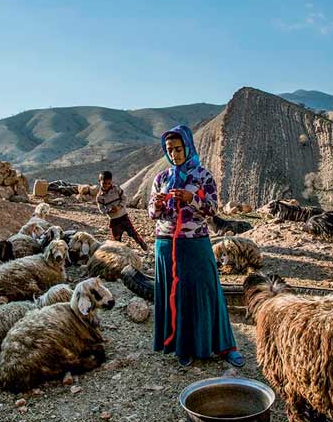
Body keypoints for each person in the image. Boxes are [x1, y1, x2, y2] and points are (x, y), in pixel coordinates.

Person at [149, 125, 244, 368]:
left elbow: (212, 209)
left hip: (195, 243)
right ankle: (182, 346)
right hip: (166, 244)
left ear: (188, 147)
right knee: (174, 294)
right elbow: (152, 213)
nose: (174, 155)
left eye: (178, 149)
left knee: (207, 291)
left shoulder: (202, 175)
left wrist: (192, 199)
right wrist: (158, 204)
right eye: (169, 150)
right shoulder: (161, 178)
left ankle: (224, 346)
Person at [96, 171, 149, 250]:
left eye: (109, 183)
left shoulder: (116, 189)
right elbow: (101, 209)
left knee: (132, 233)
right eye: (104, 183)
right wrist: (109, 210)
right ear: (99, 181)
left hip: (123, 217)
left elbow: (124, 198)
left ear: (111, 181)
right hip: (113, 220)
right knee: (116, 239)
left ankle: (141, 243)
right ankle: (119, 254)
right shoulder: (99, 197)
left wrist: (119, 207)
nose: (107, 185)